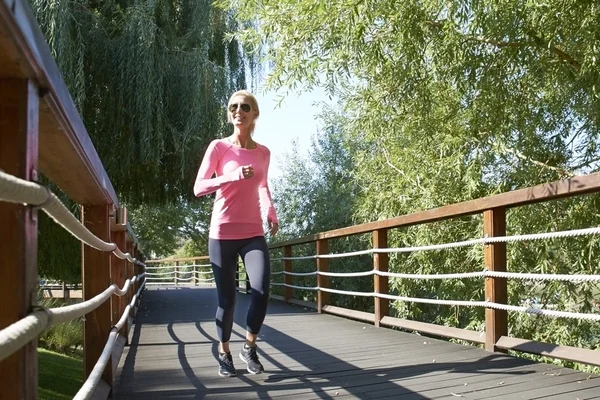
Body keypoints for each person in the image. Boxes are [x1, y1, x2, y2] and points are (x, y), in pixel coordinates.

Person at [193, 90, 279, 377]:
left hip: (253, 232)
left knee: (262, 290)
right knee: (227, 301)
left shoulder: (264, 152)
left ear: (255, 113)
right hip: (221, 233)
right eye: (233, 107)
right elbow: (199, 187)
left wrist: (270, 212)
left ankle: (249, 346)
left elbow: (263, 186)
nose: (237, 111)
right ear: (229, 114)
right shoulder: (218, 147)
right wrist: (230, 176)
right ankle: (224, 352)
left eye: (244, 106)